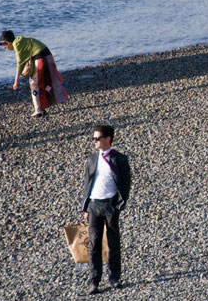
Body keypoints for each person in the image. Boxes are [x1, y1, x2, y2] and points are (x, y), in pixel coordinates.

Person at [82, 125, 131, 295]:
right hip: (94, 205)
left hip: (110, 205)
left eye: (97, 138)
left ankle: (114, 278)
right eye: (93, 138)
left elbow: (126, 183)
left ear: (108, 139)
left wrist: (119, 204)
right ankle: (94, 281)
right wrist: (85, 207)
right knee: (94, 244)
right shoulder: (91, 159)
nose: (94, 141)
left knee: (113, 243)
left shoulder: (120, 159)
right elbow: (87, 184)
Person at [0, 30, 68, 117]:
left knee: (34, 84)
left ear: (8, 43)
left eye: (5, 47)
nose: (5, 49)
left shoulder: (17, 45)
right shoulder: (22, 41)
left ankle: (38, 110)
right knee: (46, 82)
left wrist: (16, 81)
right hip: (48, 57)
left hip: (41, 60)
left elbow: (20, 63)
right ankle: (43, 107)